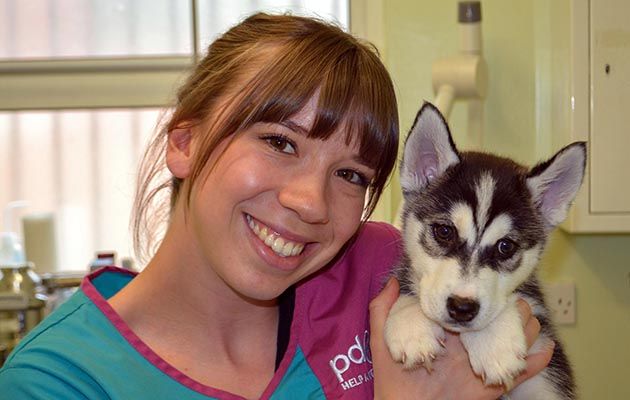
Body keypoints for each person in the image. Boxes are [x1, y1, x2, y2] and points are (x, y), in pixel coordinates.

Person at [0, 13, 552, 399]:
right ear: (185, 142)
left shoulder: (381, 273)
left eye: (349, 174)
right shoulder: (60, 379)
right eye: (279, 142)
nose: (310, 202)